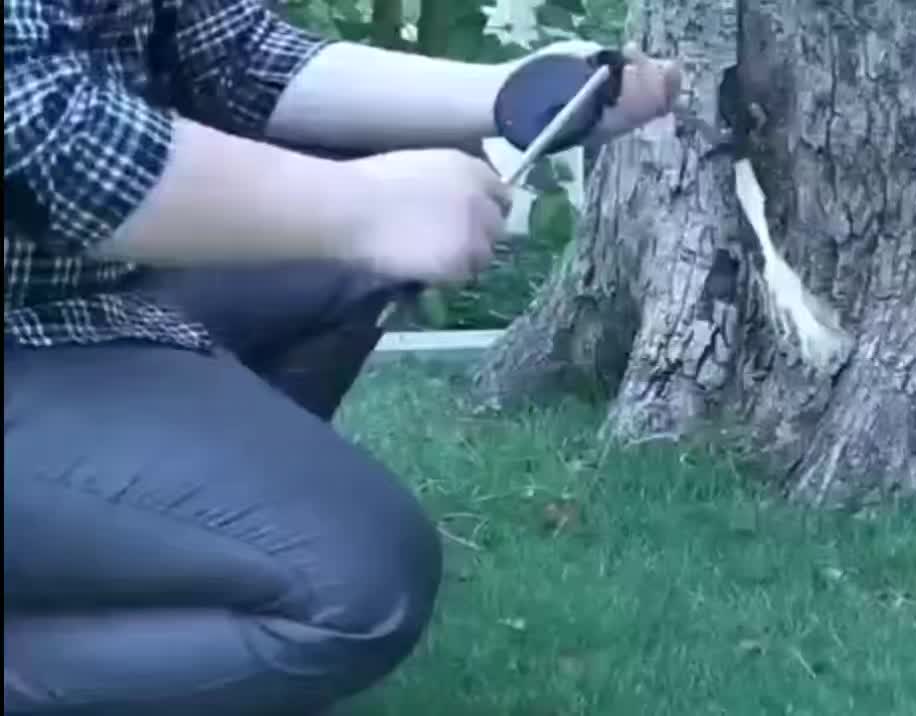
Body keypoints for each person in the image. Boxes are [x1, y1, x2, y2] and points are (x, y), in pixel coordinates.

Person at [2, 0, 682, 711]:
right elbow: (38, 132)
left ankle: (144, 558)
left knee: (350, 189)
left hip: (64, 307)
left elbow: (235, 53)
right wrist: (362, 207)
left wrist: (509, 90)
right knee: (354, 589)